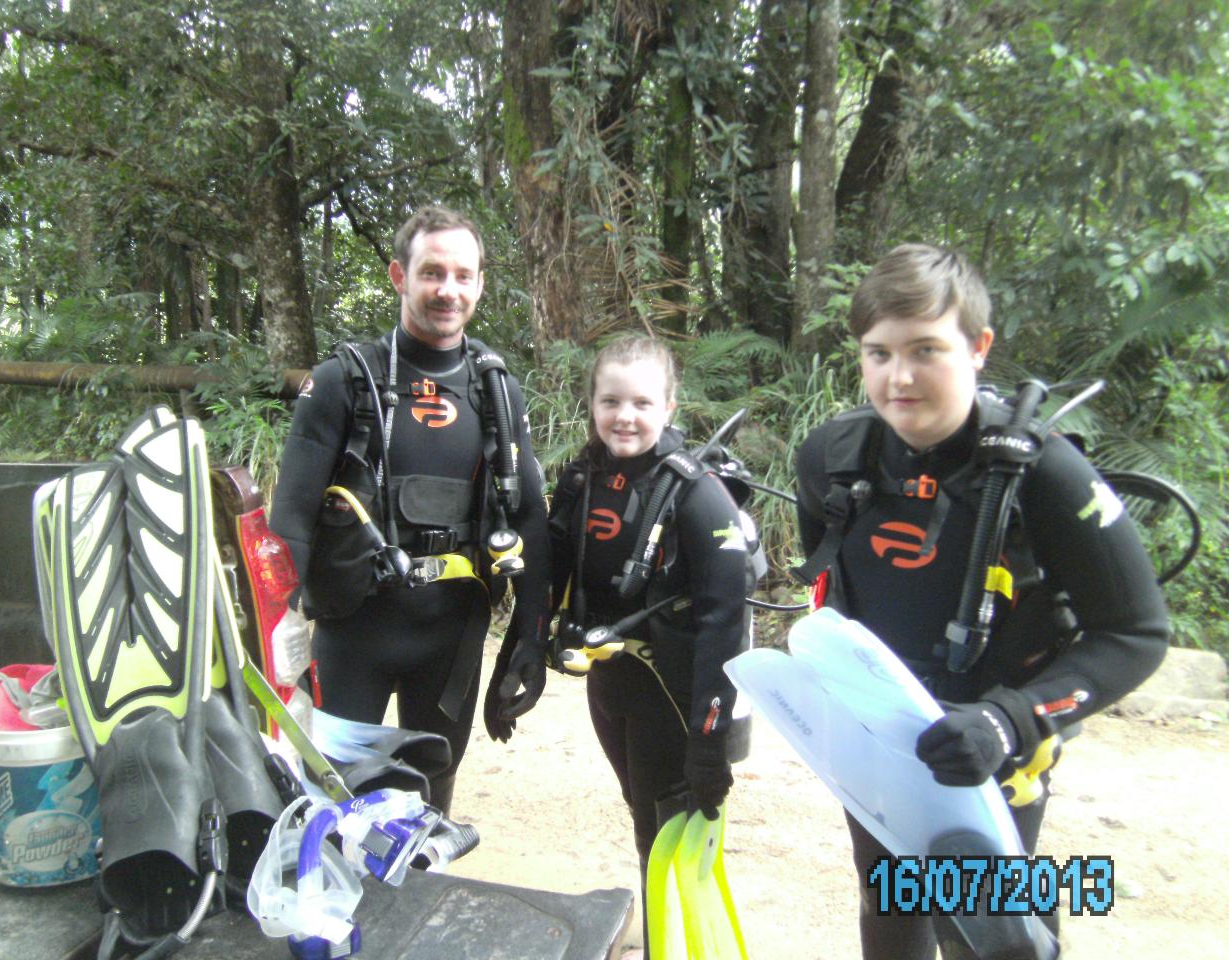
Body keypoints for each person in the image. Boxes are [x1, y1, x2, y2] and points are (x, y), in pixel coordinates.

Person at [793, 243, 1170, 958]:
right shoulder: (832, 459)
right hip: (881, 744)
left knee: (988, 939)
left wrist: (1009, 720)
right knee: (891, 910)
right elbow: (835, 597)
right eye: (877, 353)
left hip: (993, 756)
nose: (898, 378)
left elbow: (1136, 633)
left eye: (925, 350)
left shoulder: (1046, 474)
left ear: (979, 348)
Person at [269, 205, 550, 815]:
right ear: (398, 275)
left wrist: (529, 635)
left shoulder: (495, 389)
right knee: (336, 801)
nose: (448, 290)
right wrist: (272, 633)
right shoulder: (344, 382)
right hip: (353, 633)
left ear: (480, 283)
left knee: (427, 802)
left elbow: (530, 514)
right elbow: (289, 518)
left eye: (463, 275)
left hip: (451, 638)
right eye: (431, 272)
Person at [541, 336, 751, 956]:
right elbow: (554, 567)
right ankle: (661, 934)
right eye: (610, 401)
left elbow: (724, 620)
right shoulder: (583, 477)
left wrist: (710, 740)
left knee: (671, 829)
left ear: (669, 405)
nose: (624, 416)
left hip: (674, 689)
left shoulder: (695, 491)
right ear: (592, 403)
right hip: (611, 682)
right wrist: (521, 654)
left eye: (641, 402)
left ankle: (676, 940)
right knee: (643, 818)